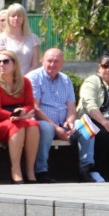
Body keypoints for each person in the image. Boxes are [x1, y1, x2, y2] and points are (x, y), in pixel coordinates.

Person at [0, 49, 40, 184]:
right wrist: (14, 116)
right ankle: (16, 170)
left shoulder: (25, 82)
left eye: (5, 61)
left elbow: (30, 105)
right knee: (18, 126)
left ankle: (30, 171)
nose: (1, 64)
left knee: (34, 125)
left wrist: (22, 111)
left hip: (17, 119)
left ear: (14, 63)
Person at [24, 48, 77, 184]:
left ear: (63, 63)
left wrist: (70, 122)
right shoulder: (34, 77)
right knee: (47, 128)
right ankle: (41, 171)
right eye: (49, 61)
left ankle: (88, 168)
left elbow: (71, 108)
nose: (52, 65)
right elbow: (34, 108)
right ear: (43, 61)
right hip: (41, 123)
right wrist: (56, 128)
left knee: (86, 129)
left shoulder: (66, 80)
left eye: (56, 61)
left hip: (62, 124)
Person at [75, 54, 109, 182]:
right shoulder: (92, 81)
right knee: (103, 133)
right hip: (91, 121)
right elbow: (90, 105)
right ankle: (94, 169)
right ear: (99, 68)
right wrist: (104, 122)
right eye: (105, 66)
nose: (108, 69)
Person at [0, 3, 40, 74]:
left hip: (29, 80)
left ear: (24, 18)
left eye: (19, 16)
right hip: (8, 80)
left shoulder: (33, 39)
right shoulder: (0, 40)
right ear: (8, 18)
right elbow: (0, 65)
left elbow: (35, 65)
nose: (16, 18)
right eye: (13, 16)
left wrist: (24, 80)